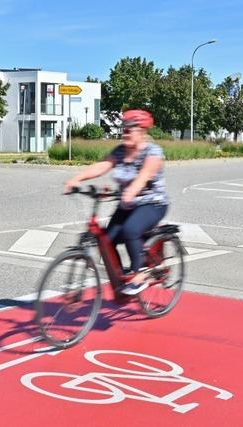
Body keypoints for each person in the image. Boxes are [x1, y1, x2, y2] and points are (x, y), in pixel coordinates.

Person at [64, 109, 168, 295]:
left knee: (131, 230)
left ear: (142, 131)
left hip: (152, 203)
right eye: (124, 128)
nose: (125, 132)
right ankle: (121, 280)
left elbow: (146, 173)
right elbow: (103, 165)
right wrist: (76, 179)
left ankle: (140, 274)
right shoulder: (120, 151)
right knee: (106, 240)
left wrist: (133, 190)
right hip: (127, 205)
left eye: (130, 128)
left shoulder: (153, 151)